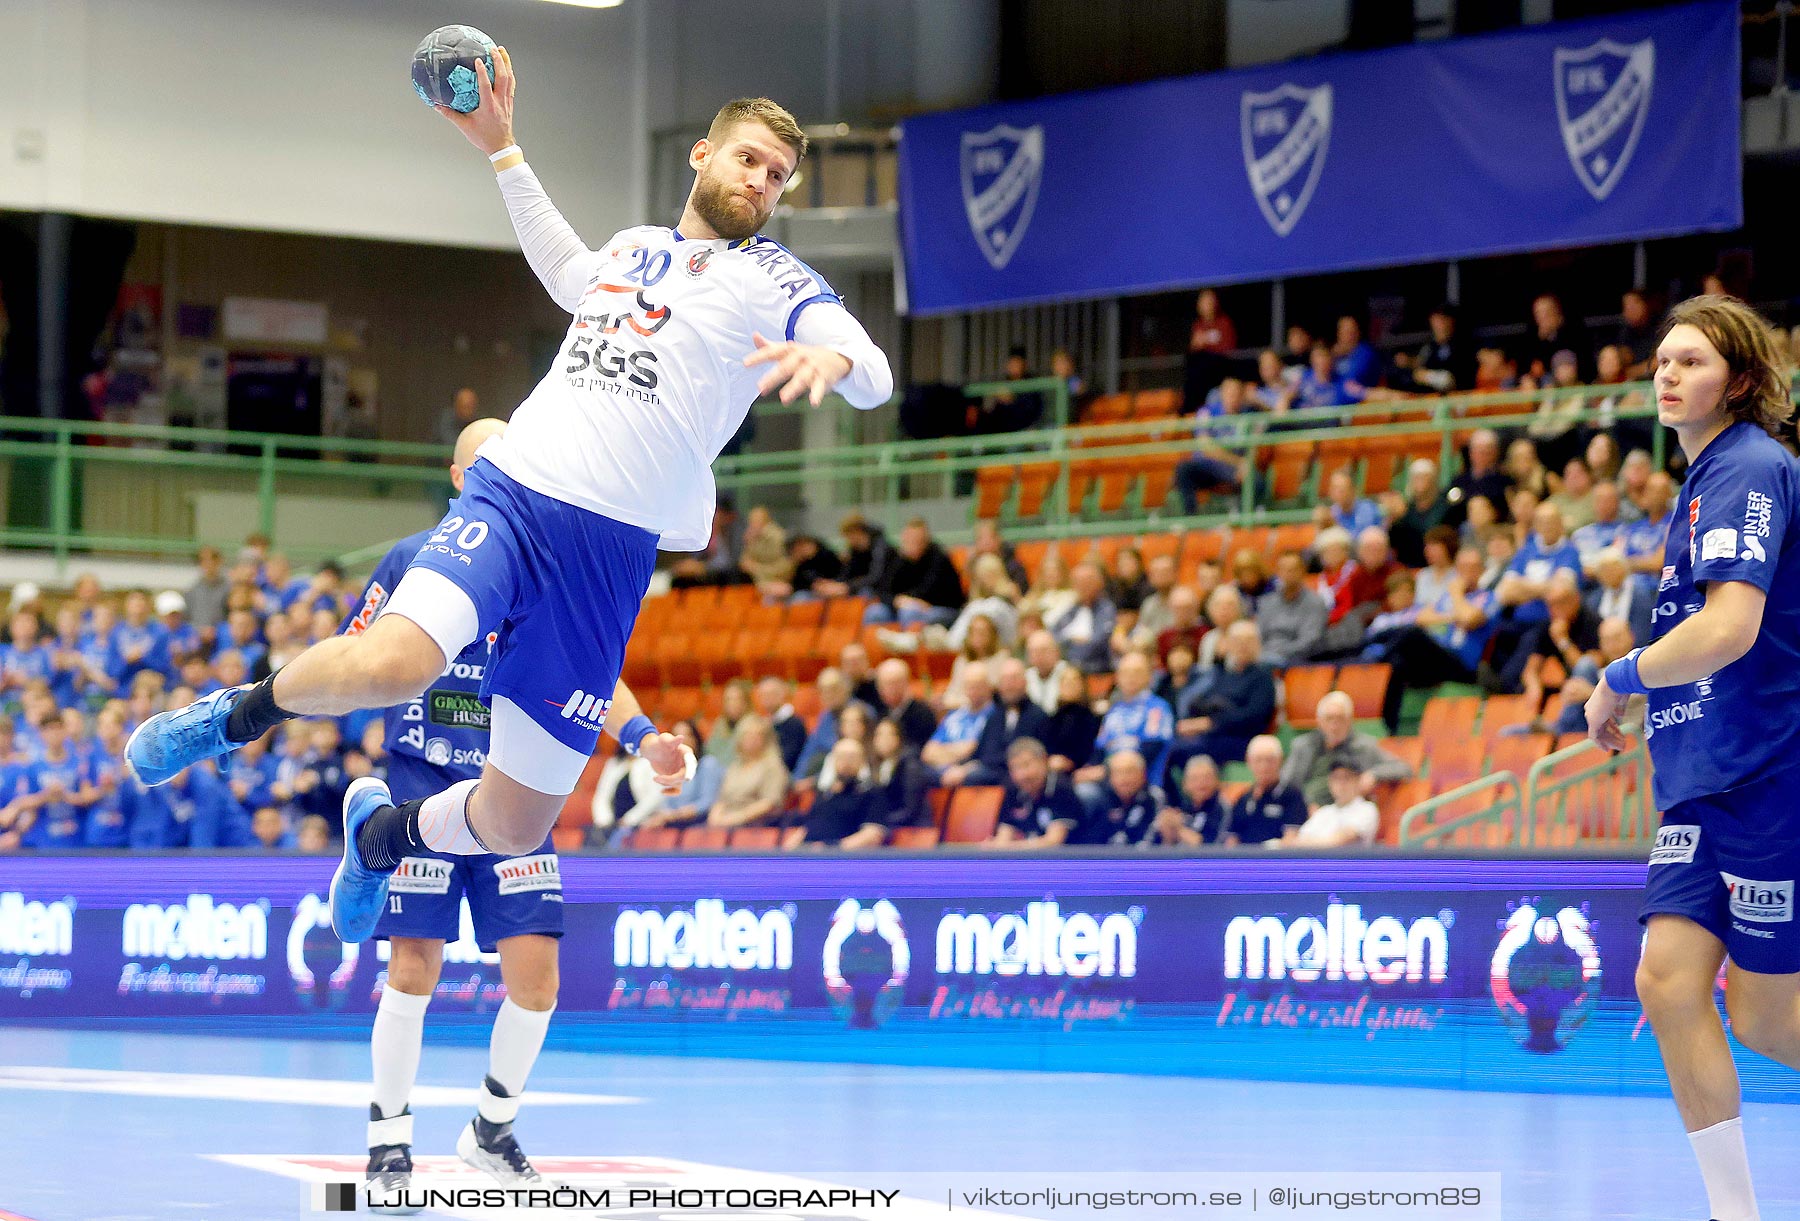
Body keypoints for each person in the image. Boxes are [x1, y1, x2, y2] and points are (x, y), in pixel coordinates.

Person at [127, 66, 892, 947]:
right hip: (520, 493)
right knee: (395, 665)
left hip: (608, 556)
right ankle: (231, 717)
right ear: (702, 155)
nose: (761, 181)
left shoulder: (769, 276)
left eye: (778, 176)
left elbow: (872, 367)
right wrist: (503, 150)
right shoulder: (638, 246)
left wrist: (835, 363)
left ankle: (380, 838)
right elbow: (571, 273)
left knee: (515, 822)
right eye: (749, 160)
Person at [344, 419, 679, 1197]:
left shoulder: (549, 560)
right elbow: (356, 652)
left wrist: (640, 733)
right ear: (461, 478)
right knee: (413, 968)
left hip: (515, 792)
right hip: (424, 788)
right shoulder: (411, 561)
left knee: (538, 979)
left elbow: (588, 670)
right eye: (486, 461)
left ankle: (490, 1130)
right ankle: (388, 1140)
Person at [1584, 295, 1800, 1221]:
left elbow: (1730, 627)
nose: (1667, 373)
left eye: (1693, 361)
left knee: (1764, 1017)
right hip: (1699, 783)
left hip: (1767, 776)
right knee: (1667, 983)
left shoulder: (1750, 464)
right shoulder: (1702, 481)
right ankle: (1734, 1215)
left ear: (1741, 381)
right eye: (1662, 360)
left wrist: (1621, 675)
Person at [1281, 691, 1412, 807]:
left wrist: (1374, 774)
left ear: (1350, 720)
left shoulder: (1364, 746)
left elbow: (1403, 768)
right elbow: (1285, 783)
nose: (1334, 726)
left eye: (1340, 719)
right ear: (1319, 721)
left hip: (1342, 812)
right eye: (1329, 719)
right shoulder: (1303, 745)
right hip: (1302, 810)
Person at [986, 737, 1085, 849]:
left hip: (1069, 861)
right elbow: (1003, 837)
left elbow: (1053, 841)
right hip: (1029, 857)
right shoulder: (1013, 789)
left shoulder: (1061, 787)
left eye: (1026, 765)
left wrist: (1009, 847)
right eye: (1015, 768)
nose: (1022, 775)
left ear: (1043, 760)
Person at [1219, 735, 1308, 847]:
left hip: (1275, 860)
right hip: (1245, 860)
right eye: (1258, 760)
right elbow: (1232, 839)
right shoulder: (1243, 798)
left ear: (1280, 761)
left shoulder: (1292, 795)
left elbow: (1291, 838)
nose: (1264, 766)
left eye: (1269, 760)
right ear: (1249, 762)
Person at [1069, 749, 1164, 846]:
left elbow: (1153, 837)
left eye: (1129, 771)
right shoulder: (1101, 800)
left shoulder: (1154, 797)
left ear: (1143, 775)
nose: (1124, 778)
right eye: (1118, 772)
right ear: (1110, 777)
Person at [1288, 761, 1380, 848]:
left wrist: (1310, 843)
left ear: (1357, 781)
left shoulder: (1367, 809)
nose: (1341, 783)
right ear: (1329, 782)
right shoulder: (1324, 811)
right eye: (1336, 778)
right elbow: (1298, 841)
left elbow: (1338, 841)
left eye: (1346, 778)